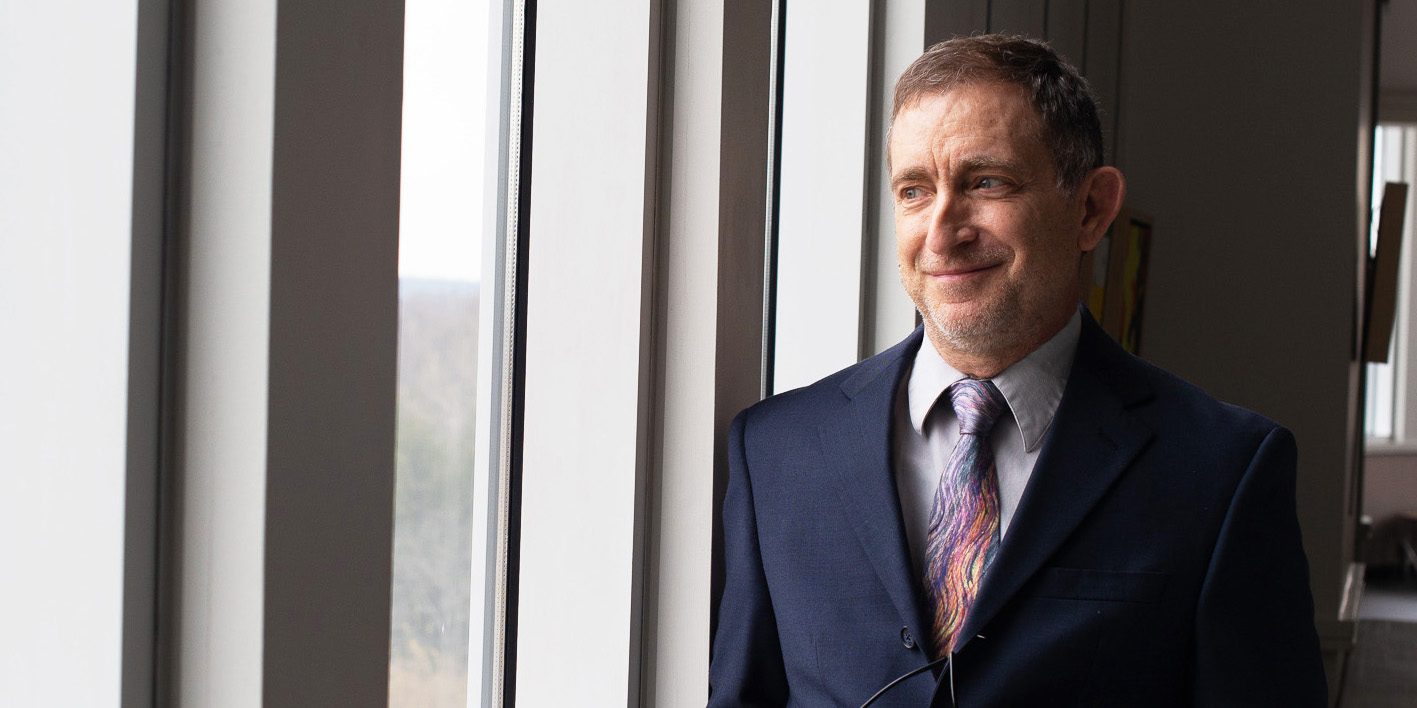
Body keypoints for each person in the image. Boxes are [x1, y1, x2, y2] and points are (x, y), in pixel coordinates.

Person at [707, 34, 1326, 706]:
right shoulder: (774, 451)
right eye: (914, 190)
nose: (942, 231)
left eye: (985, 182)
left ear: (1090, 209)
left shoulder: (1222, 469)